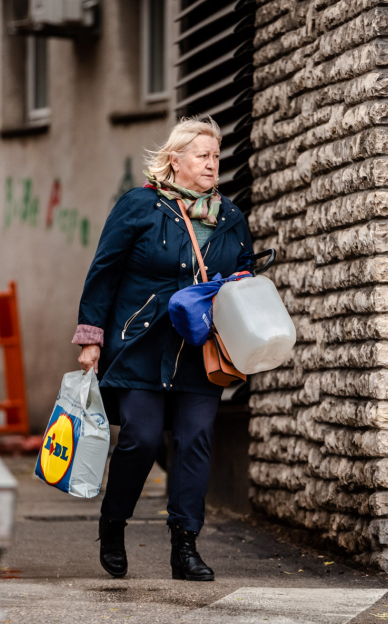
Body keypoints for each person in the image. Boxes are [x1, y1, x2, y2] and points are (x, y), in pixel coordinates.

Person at [72, 117, 254, 580]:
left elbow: (243, 280)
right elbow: (104, 271)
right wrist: (91, 338)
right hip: (140, 344)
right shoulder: (139, 205)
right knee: (141, 438)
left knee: (195, 440)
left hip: (200, 350)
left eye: (215, 156)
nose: (212, 164)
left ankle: (185, 546)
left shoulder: (231, 218)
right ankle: (113, 524)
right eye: (202, 156)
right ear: (175, 160)